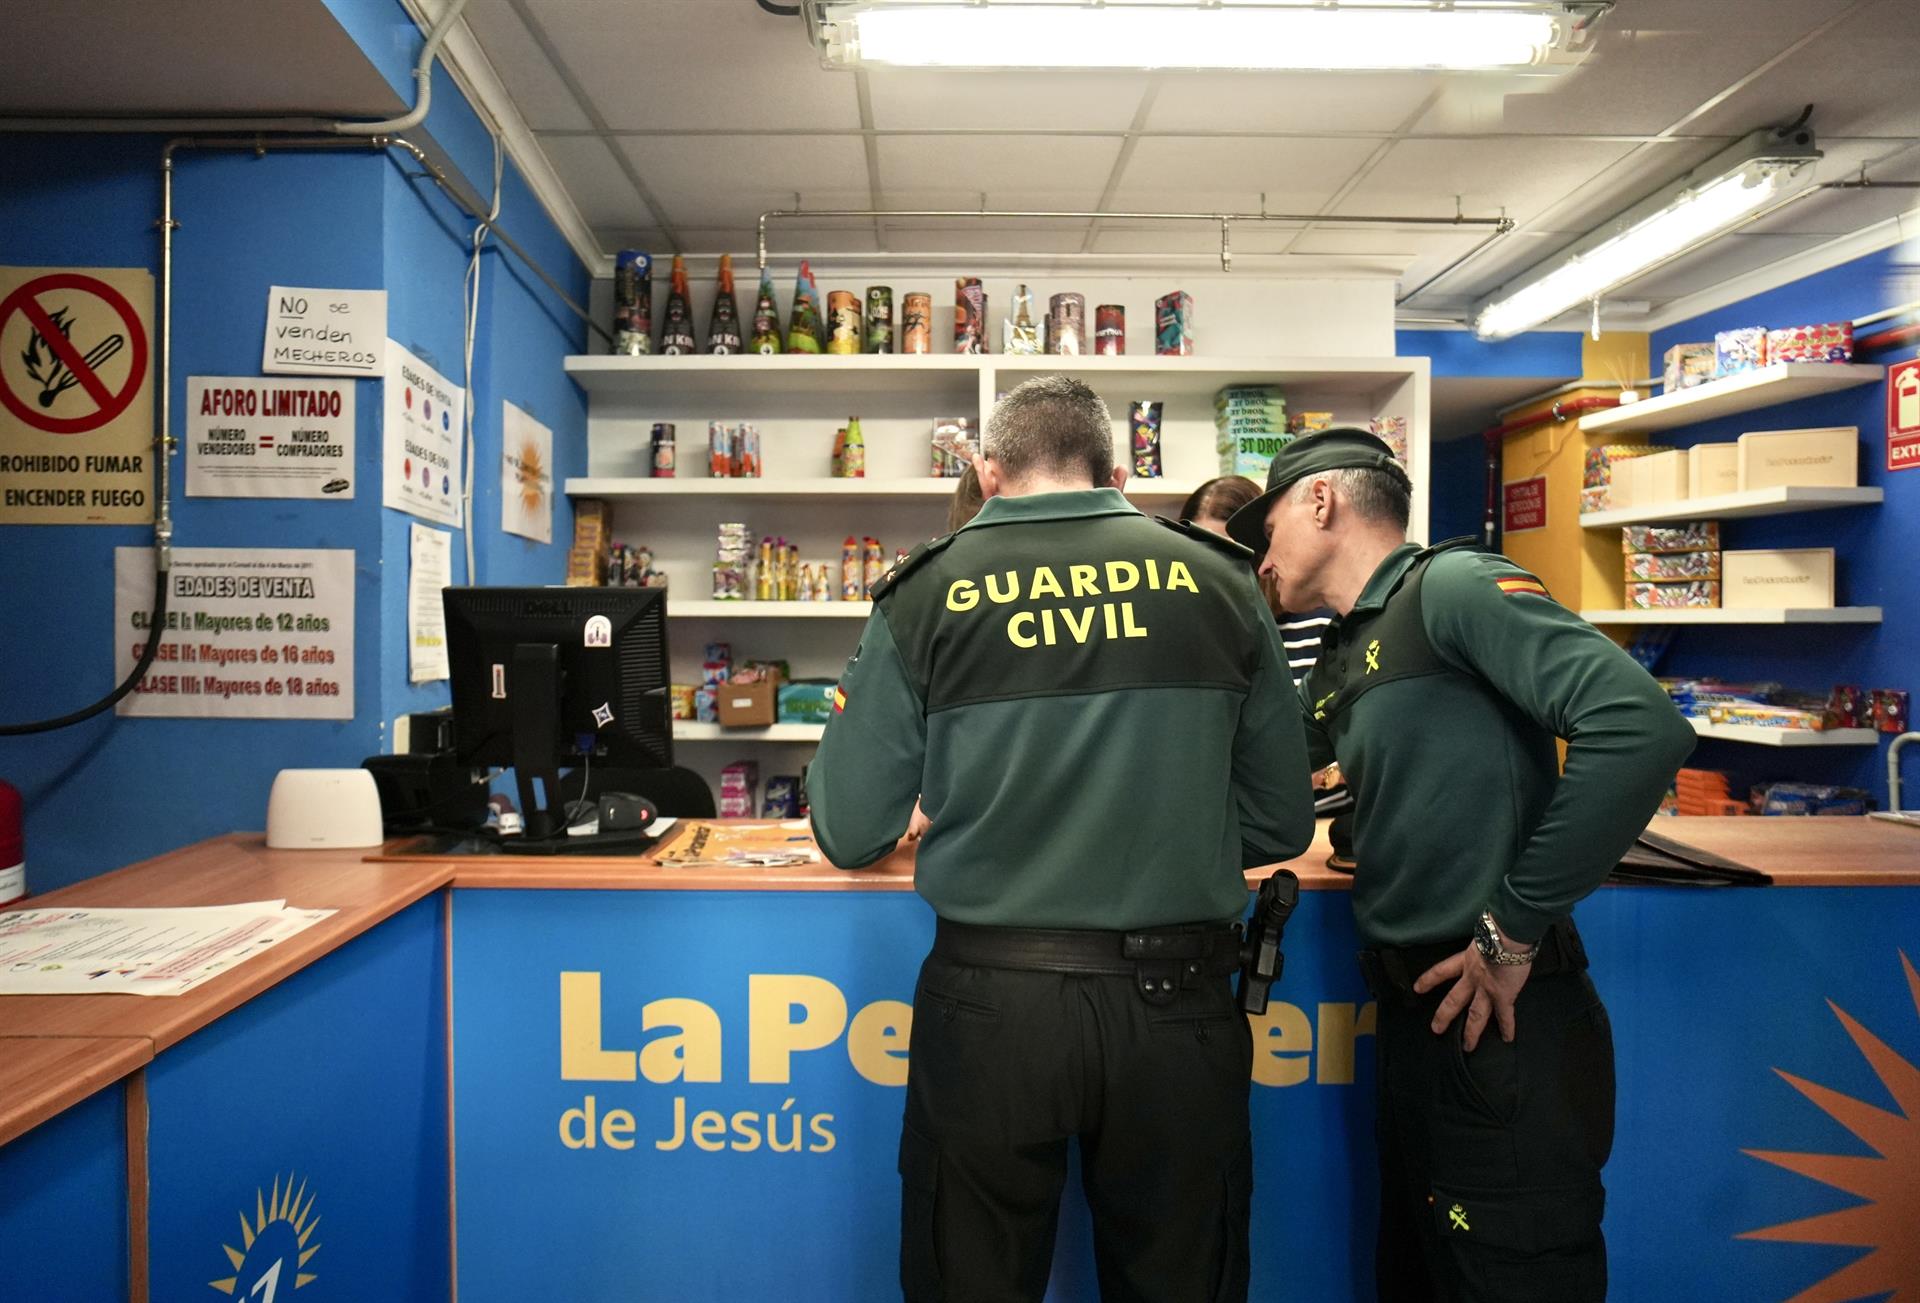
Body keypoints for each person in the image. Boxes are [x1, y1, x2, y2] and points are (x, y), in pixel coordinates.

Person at [810, 375, 1316, 1303]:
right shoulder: (1219, 581)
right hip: (1180, 1006)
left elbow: (848, 828)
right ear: (1116, 472)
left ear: (990, 473)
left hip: (991, 1007)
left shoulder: (927, 593)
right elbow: (1284, 821)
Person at [1225, 429, 1695, 1303]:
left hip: (1507, 1021)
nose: (1263, 551)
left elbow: (1640, 727)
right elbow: (1262, 792)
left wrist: (1512, 925)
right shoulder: (1342, 652)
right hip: (1417, 1023)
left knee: (1508, 1276)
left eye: (1270, 524)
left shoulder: (1452, 587)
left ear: (1321, 501)